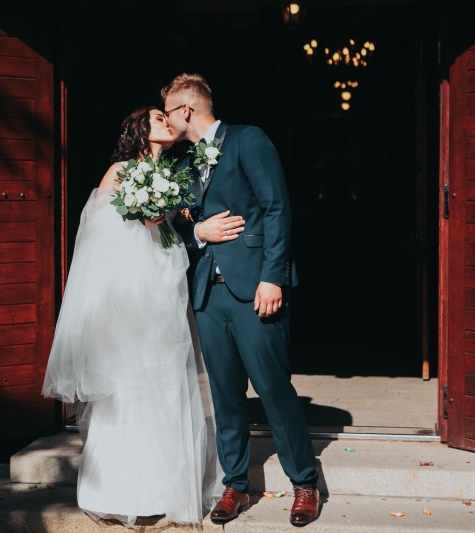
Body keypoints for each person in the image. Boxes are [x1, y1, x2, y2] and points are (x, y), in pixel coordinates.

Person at [41, 105, 224, 528]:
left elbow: (174, 233)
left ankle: (163, 489)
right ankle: (120, 491)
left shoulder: (175, 173)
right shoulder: (120, 171)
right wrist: (143, 218)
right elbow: (97, 238)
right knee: (129, 387)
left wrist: (175, 220)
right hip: (128, 296)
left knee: (165, 383)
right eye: (158, 117)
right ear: (140, 129)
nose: (166, 121)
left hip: (164, 290)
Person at [162, 73, 321, 527]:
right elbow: (175, 225)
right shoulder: (183, 162)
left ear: (186, 109)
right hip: (208, 293)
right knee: (225, 394)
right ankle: (235, 483)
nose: (166, 121)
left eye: (168, 112)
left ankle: (304, 482)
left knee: (272, 388)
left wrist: (273, 278)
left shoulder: (248, 139)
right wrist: (197, 230)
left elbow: (276, 208)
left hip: (255, 288)